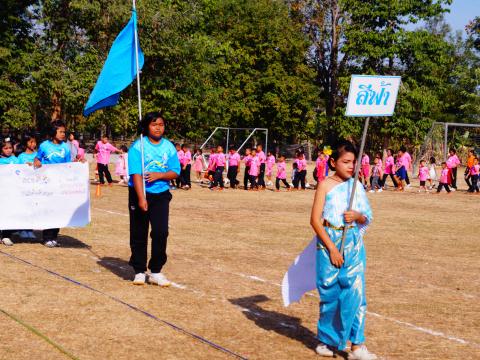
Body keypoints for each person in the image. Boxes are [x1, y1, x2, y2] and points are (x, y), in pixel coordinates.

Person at [310, 140, 376, 360]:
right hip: (328, 242)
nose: (351, 166)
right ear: (333, 162)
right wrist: (332, 249)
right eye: (346, 162)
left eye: (354, 162)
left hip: (353, 243)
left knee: (356, 293)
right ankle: (326, 340)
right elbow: (315, 221)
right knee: (330, 293)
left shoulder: (356, 186)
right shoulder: (325, 185)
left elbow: (367, 217)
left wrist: (357, 216)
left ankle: (357, 346)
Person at [128, 112, 180, 286]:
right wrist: (141, 198)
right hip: (140, 193)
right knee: (138, 232)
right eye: (154, 124)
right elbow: (135, 174)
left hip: (161, 195)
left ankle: (156, 270)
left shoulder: (169, 147)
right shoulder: (138, 146)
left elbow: (175, 171)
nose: (158, 127)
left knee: (161, 232)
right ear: (146, 126)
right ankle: (139, 270)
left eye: (161, 124)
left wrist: (160, 175)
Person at [34, 120, 71, 248]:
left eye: (64, 132)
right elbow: (37, 158)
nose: (63, 134)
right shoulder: (44, 145)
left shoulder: (66, 147)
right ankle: (47, 237)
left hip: (59, 184)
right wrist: (37, 162)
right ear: (53, 132)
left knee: (58, 210)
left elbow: (68, 165)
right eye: (60, 131)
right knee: (49, 210)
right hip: (47, 184)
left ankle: (54, 236)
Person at [17, 134, 38, 240]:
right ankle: (22, 230)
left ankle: (30, 230)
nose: (33, 144)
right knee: (24, 207)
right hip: (24, 186)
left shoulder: (38, 155)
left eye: (34, 142)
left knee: (32, 208)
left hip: (35, 186)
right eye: (31, 142)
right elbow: (16, 170)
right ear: (26, 143)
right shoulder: (21, 156)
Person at [0, 138, 19, 246]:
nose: (8, 150)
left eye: (10, 148)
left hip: (12, 192)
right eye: (5, 148)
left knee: (9, 213)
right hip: (1, 191)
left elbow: (24, 171)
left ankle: (6, 236)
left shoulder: (16, 160)